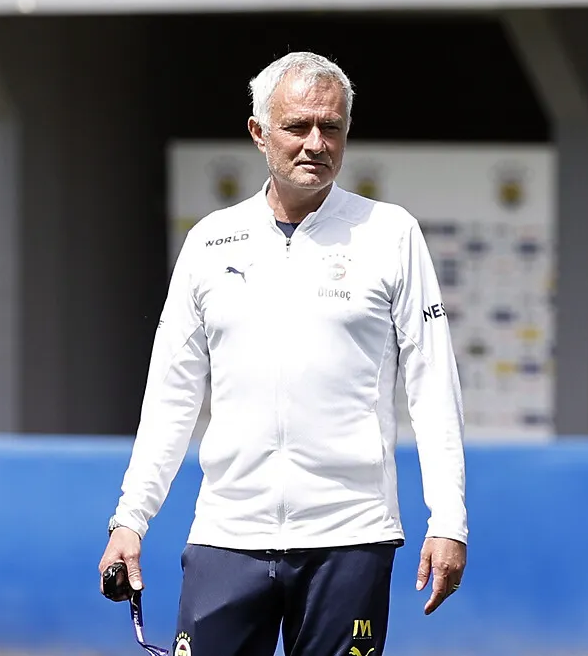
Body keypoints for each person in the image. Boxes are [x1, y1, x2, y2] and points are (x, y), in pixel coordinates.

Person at [98, 51, 468, 656]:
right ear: (259, 132)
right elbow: (170, 395)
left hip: (350, 535)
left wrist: (449, 519)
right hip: (227, 534)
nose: (316, 144)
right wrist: (130, 519)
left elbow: (434, 388)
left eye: (332, 127)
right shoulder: (209, 242)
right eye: (298, 126)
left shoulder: (392, 234)